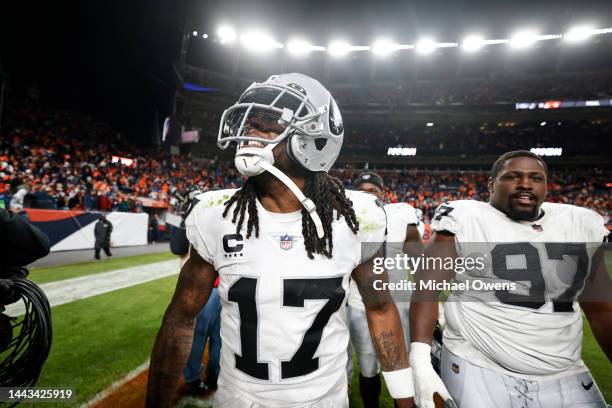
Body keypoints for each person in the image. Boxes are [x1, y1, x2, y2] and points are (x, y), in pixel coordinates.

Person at [146, 73, 415, 408]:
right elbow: (180, 318)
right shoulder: (215, 214)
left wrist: (406, 399)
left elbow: (380, 307)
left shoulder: (355, 218)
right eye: (249, 122)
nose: (249, 132)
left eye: (266, 125)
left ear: (313, 141)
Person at [410, 150, 612, 408]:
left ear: (546, 186)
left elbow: (602, 310)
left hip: (564, 369)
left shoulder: (579, 223)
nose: (525, 184)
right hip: (478, 364)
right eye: (513, 176)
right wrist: (419, 360)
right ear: (492, 185)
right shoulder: (467, 218)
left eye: (536, 178)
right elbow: (426, 288)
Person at [347, 172, 424, 408]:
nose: (367, 194)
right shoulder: (345, 219)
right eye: (362, 190)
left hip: (399, 302)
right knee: (368, 364)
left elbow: (419, 261)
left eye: (373, 190)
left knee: (404, 361)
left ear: (383, 193)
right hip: (360, 304)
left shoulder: (400, 214)